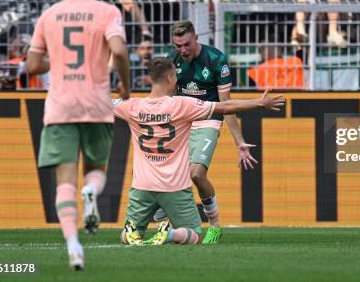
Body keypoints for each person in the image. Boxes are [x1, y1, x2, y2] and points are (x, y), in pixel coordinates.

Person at [25, 0, 131, 270]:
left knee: (63, 183)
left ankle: (74, 247)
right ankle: (91, 192)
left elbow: (31, 65)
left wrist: (56, 61)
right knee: (97, 171)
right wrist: (124, 85)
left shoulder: (50, 15)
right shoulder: (107, 12)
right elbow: (120, 51)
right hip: (96, 104)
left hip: (60, 106)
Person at [116, 57, 284, 246]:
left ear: (150, 79)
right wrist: (260, 103)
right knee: (194, 236)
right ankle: (168, 234)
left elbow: (99, 103)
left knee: (128, 235)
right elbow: (225, 106)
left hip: (142, 187)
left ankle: (131, 234)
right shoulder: (182, 105)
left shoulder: (130, 106)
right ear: (170, 78)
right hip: (174, 187)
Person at [151, 20, 256, 244]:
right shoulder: (173, 59)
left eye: (186, 44)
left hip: (208, 120)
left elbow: (227, 106)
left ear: (196, 37)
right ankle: (165, 219)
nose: (183, 50)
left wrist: (240, 142)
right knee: (167, 172)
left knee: (196, 174)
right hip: (182, 122)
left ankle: (214, 226)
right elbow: (165, 96)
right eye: (178, 45)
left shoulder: (216, 60)